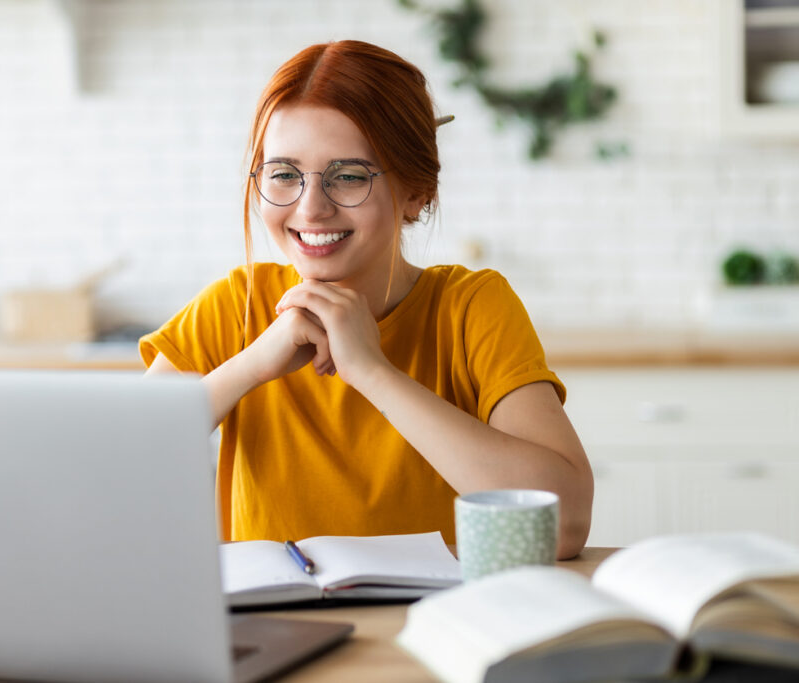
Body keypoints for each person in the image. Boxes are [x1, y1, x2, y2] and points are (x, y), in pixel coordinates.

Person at [140, 40, 593, 558]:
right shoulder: (233, 306)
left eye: (349, 176)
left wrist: (372, 372)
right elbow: (112, 471)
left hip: (439, 629)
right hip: (279, 632)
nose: (310, 209)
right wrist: (252, 365)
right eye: (284, 174)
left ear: (417, 191)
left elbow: (564, 524)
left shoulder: (471, 308)